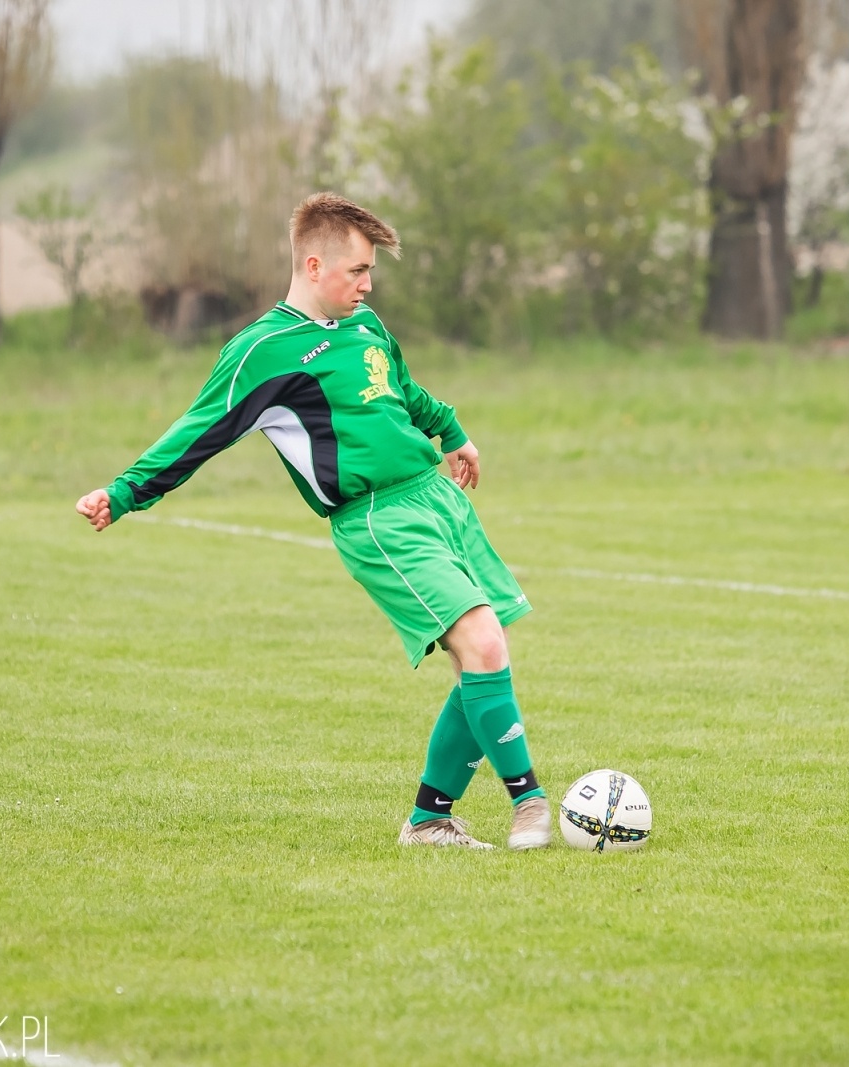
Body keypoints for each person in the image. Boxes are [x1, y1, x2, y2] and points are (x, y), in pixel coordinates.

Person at [75, 193, 550, 851]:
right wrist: (123, 492)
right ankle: (531, 804)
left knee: (482, 656)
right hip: (378, 518)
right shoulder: (263, 350)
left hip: (439, 499)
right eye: (357, 270)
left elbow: (403, 392)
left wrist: (451, 432)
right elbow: (199, 432)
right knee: (486, 643)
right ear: (314, 262)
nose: (368, 283)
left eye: (370, 271)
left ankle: (428, 820)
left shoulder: (366, 326)